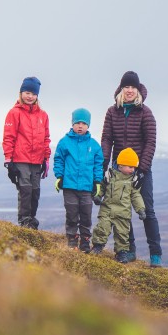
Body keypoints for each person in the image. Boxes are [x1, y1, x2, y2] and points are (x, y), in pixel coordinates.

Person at [100, 70, 162, 266]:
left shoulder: (145, 112)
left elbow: (150, 142)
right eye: (126, 87)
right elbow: (107, 139)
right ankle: (129, 250)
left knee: (148, 211)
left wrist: (142, 170)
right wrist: (105, 166)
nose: (129, 90)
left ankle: (155, 254)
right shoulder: (112, 112)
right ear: (121, 89)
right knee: (122, 210)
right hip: (118, 170)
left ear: (138, 89)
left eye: (132, 87)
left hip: (140, 170)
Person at [53, 107, 104, 251]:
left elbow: (98, 164)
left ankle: (85, 241)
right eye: (77, 123)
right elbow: (58, 160)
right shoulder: (64, 142)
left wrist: (97, 181)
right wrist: (59, 177)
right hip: (69, 186)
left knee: (86, 215)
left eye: (83, 123)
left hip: (87, 188)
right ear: (72, 124)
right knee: (72, 214)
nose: (80, 126)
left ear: (88, 125)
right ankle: (72, 239)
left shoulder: (94, 145)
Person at [2, 76, 50, 229]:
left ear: (37, 96)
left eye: (33, 94)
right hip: (20, 159)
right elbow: (8, 137)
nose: (30, 96)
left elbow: (46, 138)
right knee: (25, 190)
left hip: (37, 160)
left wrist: (46, 159)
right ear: (21, 93)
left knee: (35, 191)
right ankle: (24, 220)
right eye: (27, 92)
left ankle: (31, 219)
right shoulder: (14, 113)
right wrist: (8, 161)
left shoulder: (43, 115)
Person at [88, 147, 147, 263]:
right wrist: (98, 196)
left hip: (123, 213)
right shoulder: (109, 175)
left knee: (122, 234)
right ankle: (97, 246)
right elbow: (102, 187)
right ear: (121, 165)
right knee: (102, 228)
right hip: (107, 209)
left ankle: (122, 253)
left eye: (134, 167)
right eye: (130, 166)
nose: (132, 169)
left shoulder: (133, 180)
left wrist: (141, 209)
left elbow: (136, 195)